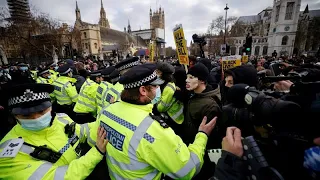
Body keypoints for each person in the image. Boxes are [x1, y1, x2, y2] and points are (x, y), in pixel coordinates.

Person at [89, 63, 217, 179]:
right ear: (143, 90)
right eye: (155, 86)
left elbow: (93, 139)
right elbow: (187, 169)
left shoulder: (107, 111)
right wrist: (202, 136)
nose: (158, 90)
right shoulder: (152, 131)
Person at [0, 83, 108, 179]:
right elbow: (62, 176)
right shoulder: (8, 154)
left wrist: (107, 120)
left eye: (42, 111)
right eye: (26, 115)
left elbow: (83, 131)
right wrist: (97, 152)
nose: (36, 118)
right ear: (14, 116)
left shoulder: (61, 119)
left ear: (50, 107)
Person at [184, 63, 222, 179]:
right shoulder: (194, 95)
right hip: (192, 147)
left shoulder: (210, 106)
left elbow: (212, 138)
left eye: (191, 77)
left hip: (202, 153)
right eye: (187, 77)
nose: (187, 80)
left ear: (201, 81)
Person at [155, 62, 184, 133]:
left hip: (174, 120)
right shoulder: (163, 84)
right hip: (168, 118)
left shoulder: (168, 88)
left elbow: (161, 108)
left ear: (163, 74)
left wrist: (155, 99)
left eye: (157, 72)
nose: (155, 73)